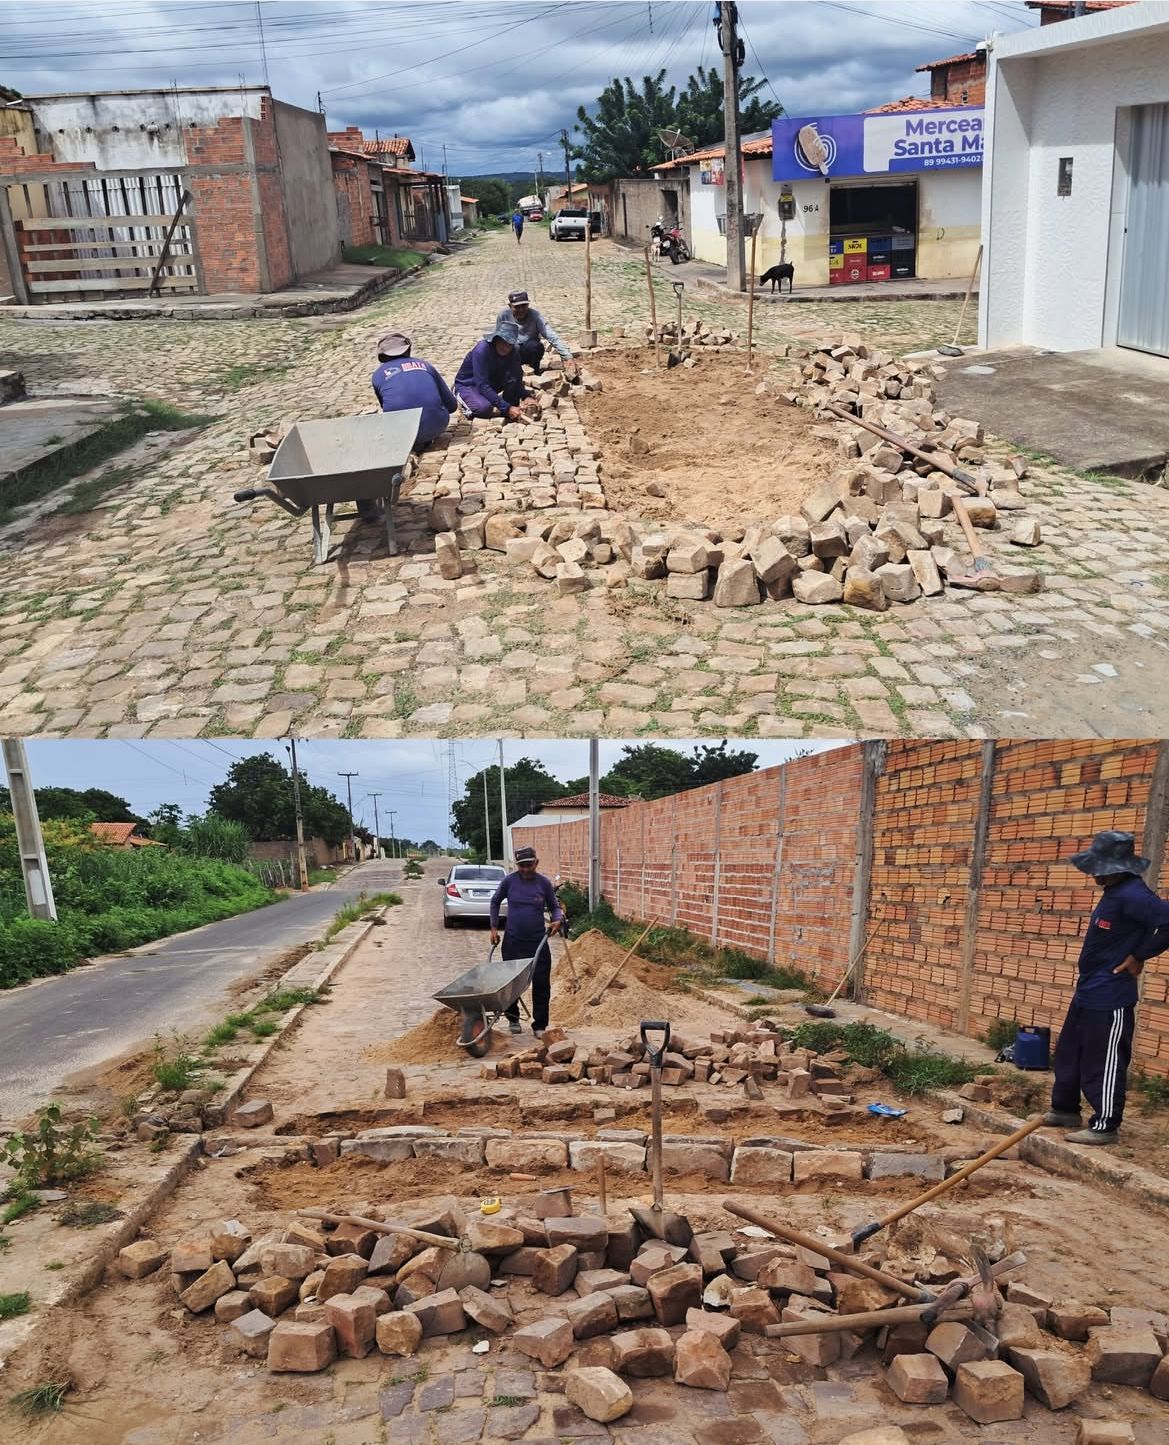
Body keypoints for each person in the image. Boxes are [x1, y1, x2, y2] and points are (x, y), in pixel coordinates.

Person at [1042, 830, 1169, 1145]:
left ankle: (1105, 1126)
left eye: (1099, 868)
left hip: (1111, 995)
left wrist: (1139, 955)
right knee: (1070, 1051)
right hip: (1089, 989)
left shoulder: (1134, 895)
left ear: (1118, 867)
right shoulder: (1113, 892)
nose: (1093, 874)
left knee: (1105, 1058)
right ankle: (1065, 1109)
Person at [489, 846, 563, 1036]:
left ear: (536, 863)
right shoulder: (509, 882)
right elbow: (495, 901)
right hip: (513, 941)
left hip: (538, 942)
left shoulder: (544, 883)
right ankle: (513, 1019)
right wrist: (494, 928)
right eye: (521, 865)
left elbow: (555, 906)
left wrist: (557, 919)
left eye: (529, 865)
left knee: (541, 983)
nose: (525, 869)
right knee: (512, 983)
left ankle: (540, 1026)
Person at [369, 333, 457, 450]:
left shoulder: (378, 375)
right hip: (436, 427)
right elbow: (452, 406)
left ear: (382, 356)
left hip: (402, 435)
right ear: (408, 350)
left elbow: (388, 411)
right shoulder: (426, 366)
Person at [453, 321, 540, 422]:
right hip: (470, 384)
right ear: (495, 339)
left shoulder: (514, 351)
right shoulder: (482, 350)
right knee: (484, 408)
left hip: (492, 383)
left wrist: (526, 396)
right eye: (503, 342)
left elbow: (516, 377)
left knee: (513, 392)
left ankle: (502, 406)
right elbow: (482, 384)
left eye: (509, 344)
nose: (506, 347)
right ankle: (461, 395)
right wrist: (507, 408)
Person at [494, 290, 579, 378]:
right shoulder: (503, 316)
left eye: (524, 306)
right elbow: (498, 339)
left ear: (528, 305)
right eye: (517, 307)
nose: (521, 309)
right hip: (511, 351)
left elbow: (551, 335)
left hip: (529, 350)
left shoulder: (535, 316)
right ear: (510, 306)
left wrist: (568, 356)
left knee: (536, 346)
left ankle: (534, 372)